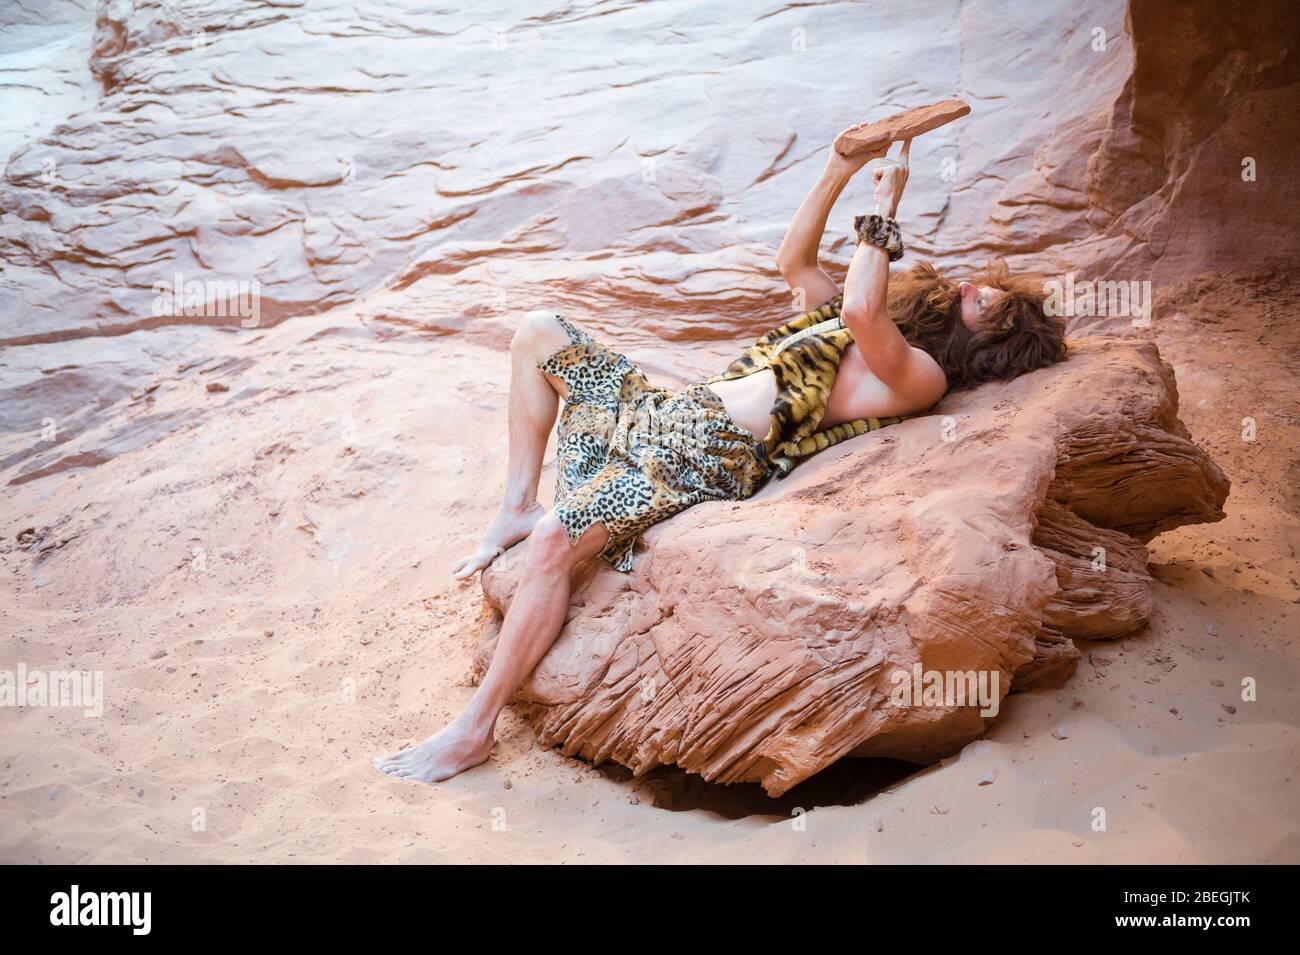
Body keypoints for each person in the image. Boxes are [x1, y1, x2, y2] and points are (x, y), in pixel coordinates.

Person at [374, 126, 1068, 784]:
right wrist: (840, 165)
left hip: (707, 456)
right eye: (984, 285)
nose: (974, 286)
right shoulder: (851, 322)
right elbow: (794, 262)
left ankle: (474, 727)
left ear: (992, 340)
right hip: (666, 412)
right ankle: (516, 505)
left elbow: (862, 305)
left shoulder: (918, 372)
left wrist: (885, 203)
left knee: (560, 538)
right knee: (538, 333)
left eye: (990, 303)